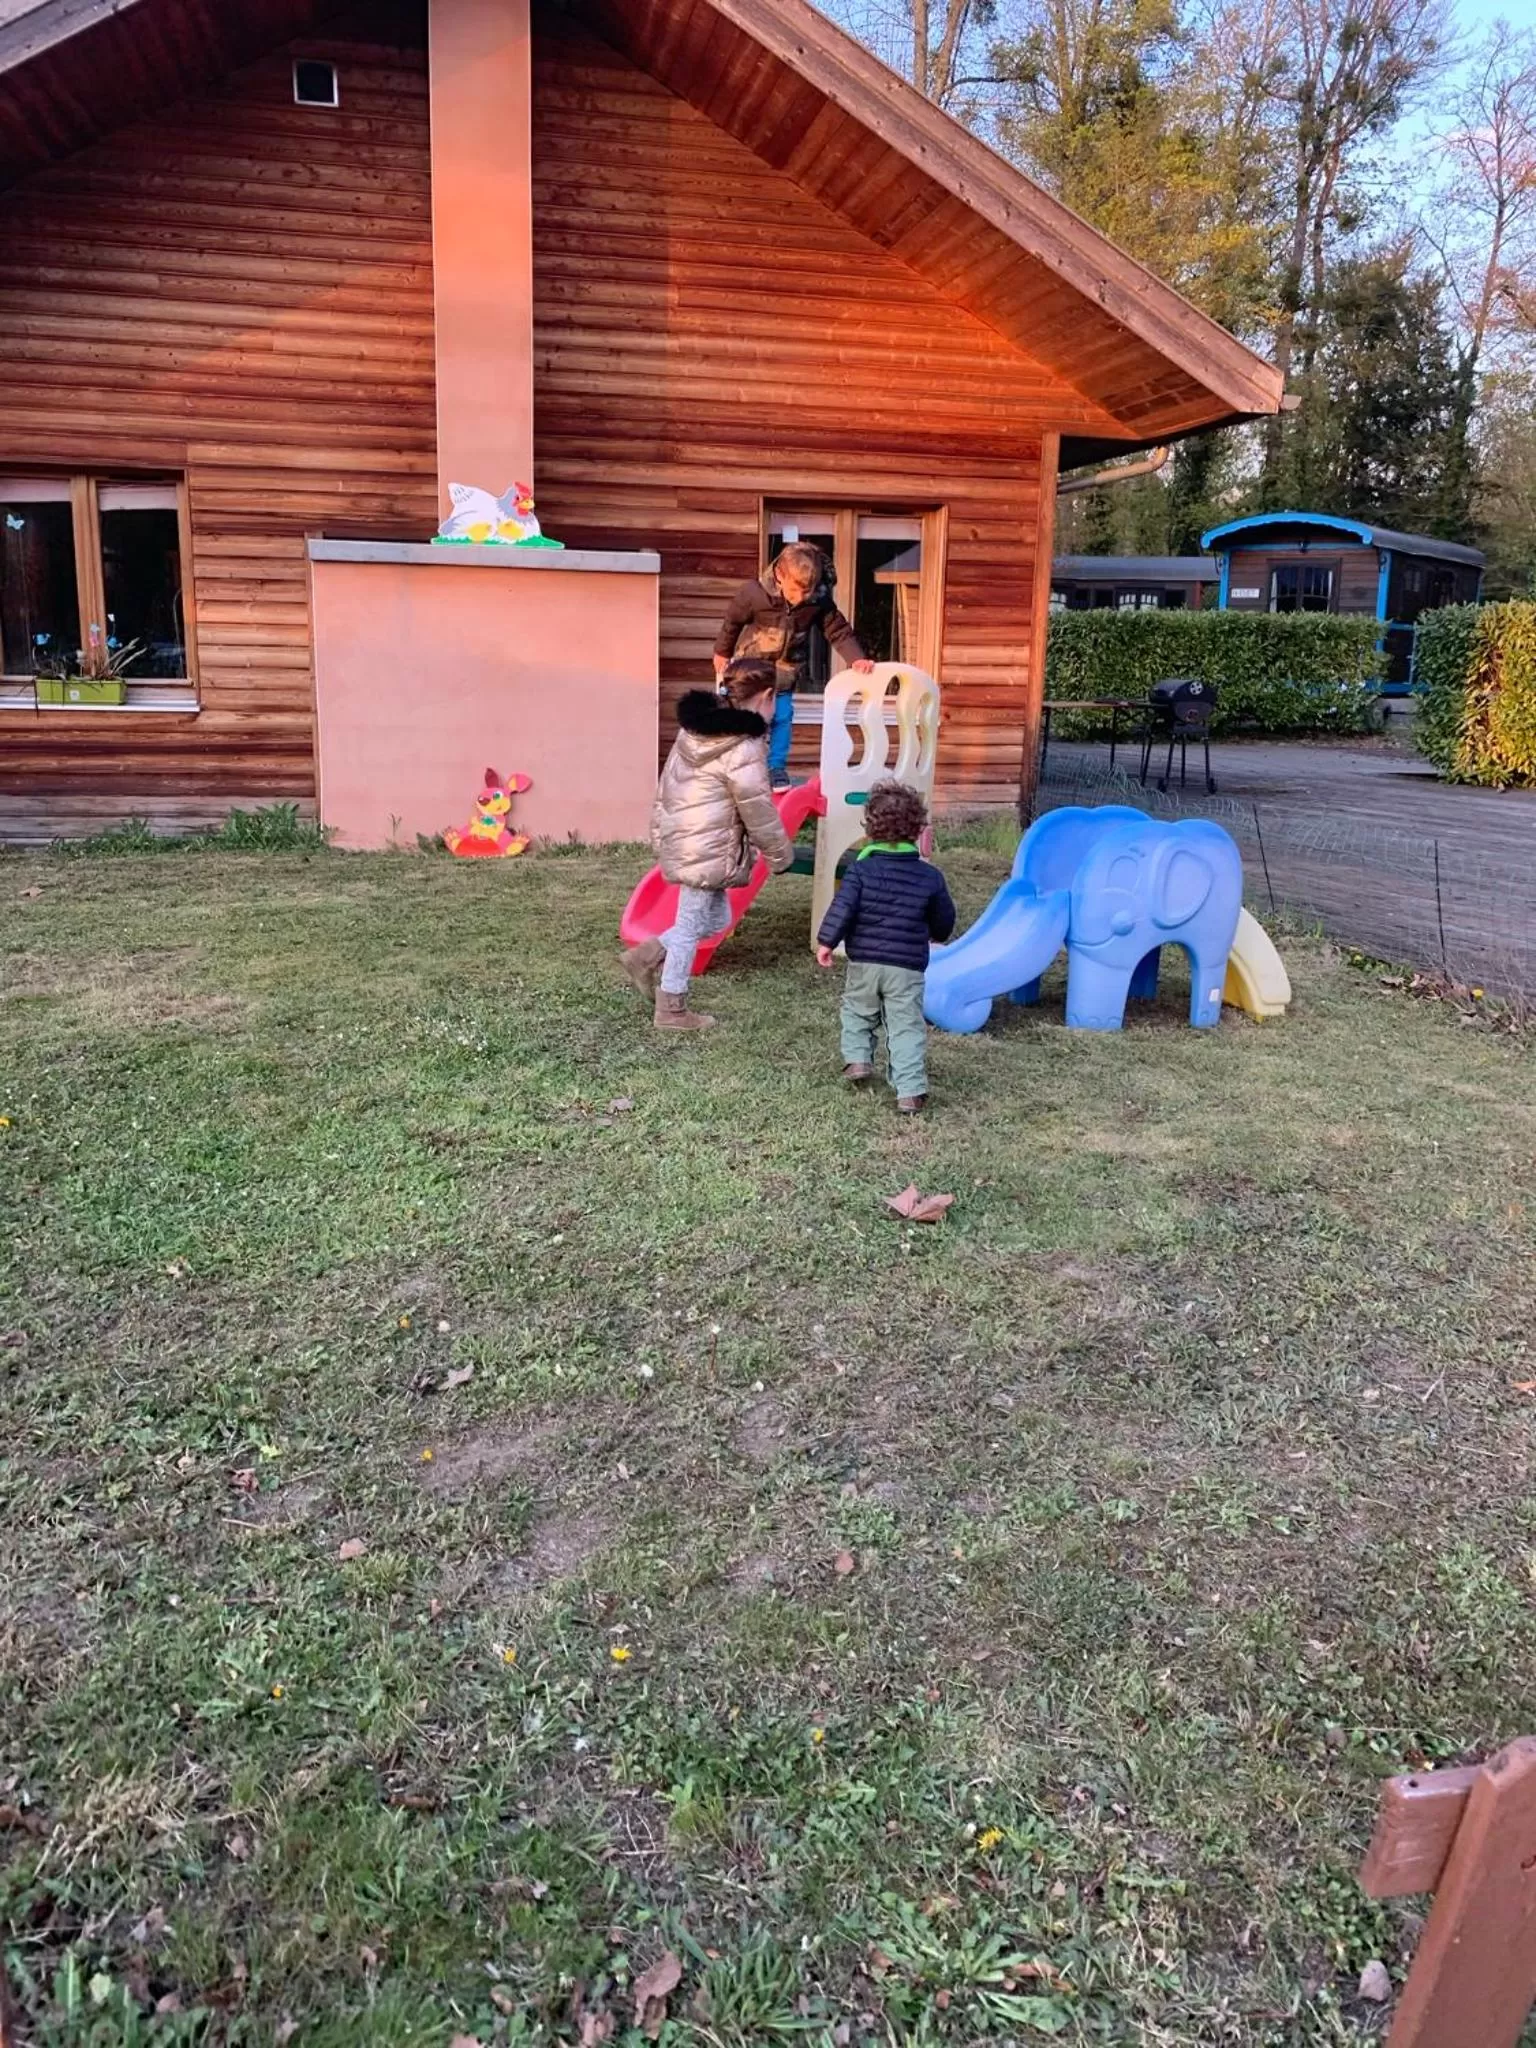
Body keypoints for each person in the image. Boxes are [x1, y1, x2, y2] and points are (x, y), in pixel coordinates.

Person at [621, 658, 794, 1030]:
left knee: (718, 919)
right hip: (708, 845)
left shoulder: (693, 731)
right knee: (689, 926)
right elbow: (758, 809)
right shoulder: (744, 746)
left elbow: (666, 786)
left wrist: (660, 833)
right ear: (767, 697)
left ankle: (647, 955)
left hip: (689, 839)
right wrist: (780, 854)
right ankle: (672, 1009)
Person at [815, 779, 955, 1114]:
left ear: (870, 829)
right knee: (905, 1024)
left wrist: (826, 941)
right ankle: (910, 1090)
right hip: (906, 967)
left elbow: (842, 907)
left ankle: (858, 1059)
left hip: (865, 962)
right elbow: (943, 918)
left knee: (856, 1011)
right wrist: (938, 933)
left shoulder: (861, 870)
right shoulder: (930, 877)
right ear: (918, 829)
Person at [713, 542, 874, 790]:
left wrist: (856, 657)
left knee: (783, 716)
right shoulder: (754, 594)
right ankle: (741, 766)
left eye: (806, 593)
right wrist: (722, 652)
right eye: (794, 591)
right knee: (748, 718)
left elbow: (838, 630)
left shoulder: (818, 600)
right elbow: (732, 622)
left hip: (785, 672)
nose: (800, 599)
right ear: (779, 575)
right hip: (753, 672)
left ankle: (776, 767)